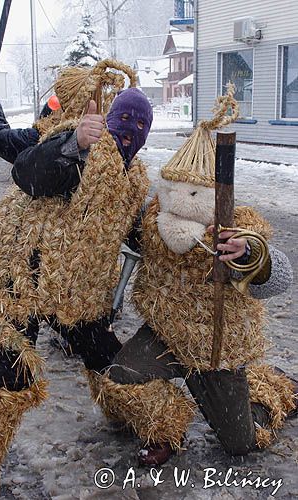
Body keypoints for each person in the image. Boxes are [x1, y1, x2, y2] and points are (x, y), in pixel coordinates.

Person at [0, 60, 152, 491]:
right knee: (11, 374)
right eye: (121, 120)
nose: (128, 132)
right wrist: (74, 144)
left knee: (106, 357)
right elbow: (26, 170)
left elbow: (142, 236)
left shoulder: (134, 180)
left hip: (73, 293)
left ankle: (148, 420)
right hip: (19, 280)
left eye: (139, 125)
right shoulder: (66, 141)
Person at [86, 88, 297, 466]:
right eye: (173, 191)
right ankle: (166, 430)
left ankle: (274, 390)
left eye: (193, 194)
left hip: (215, 350)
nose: (180, 203)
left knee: (240, 444)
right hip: (164, 336)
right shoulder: (152, 221)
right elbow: (107, 224)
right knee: (118, 377)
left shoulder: (236, 227)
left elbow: (279, 276)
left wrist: (250, 255)